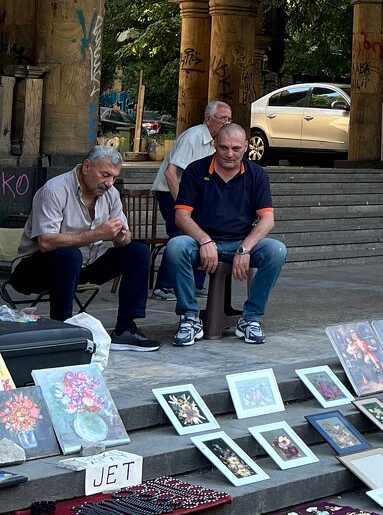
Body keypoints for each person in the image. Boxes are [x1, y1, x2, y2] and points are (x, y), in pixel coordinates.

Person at [9, 145, 160, 351]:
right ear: (87, 166)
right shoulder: (55, 190)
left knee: (137, 251)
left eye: (114, 178)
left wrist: (122, 237)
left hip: (84, 266)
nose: (109, 183)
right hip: (34, 270)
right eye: (105, 175)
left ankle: (126, 329)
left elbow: (124, 238)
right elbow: (46, 243)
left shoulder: (111, 194)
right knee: (69, 255)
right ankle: (63, 329)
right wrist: (96, 234)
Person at [163, 124, 288, 347]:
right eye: (223, 148)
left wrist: (245, 248)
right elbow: (181, 216)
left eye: (236, 148)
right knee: (176, 246)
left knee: (276, 250)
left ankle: (250, 319)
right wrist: (204, 240)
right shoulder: (195, 170)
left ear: (246, 147)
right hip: (201, 241)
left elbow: (267, 220)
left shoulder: (257, 175)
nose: (230, 154)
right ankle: (190, 318)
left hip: (240, 241)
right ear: (214, 145)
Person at [149, 100, 232, 300]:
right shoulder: (193, 136)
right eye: (222, 119)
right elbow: (171, 173)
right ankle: (164, 286)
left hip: (195, 195)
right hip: (171, 191)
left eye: (229, 119)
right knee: (181, 234)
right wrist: (182, 206)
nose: (226, 123)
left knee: (210, 229)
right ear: (208, 119)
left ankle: (195, 284)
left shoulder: (219, 143)